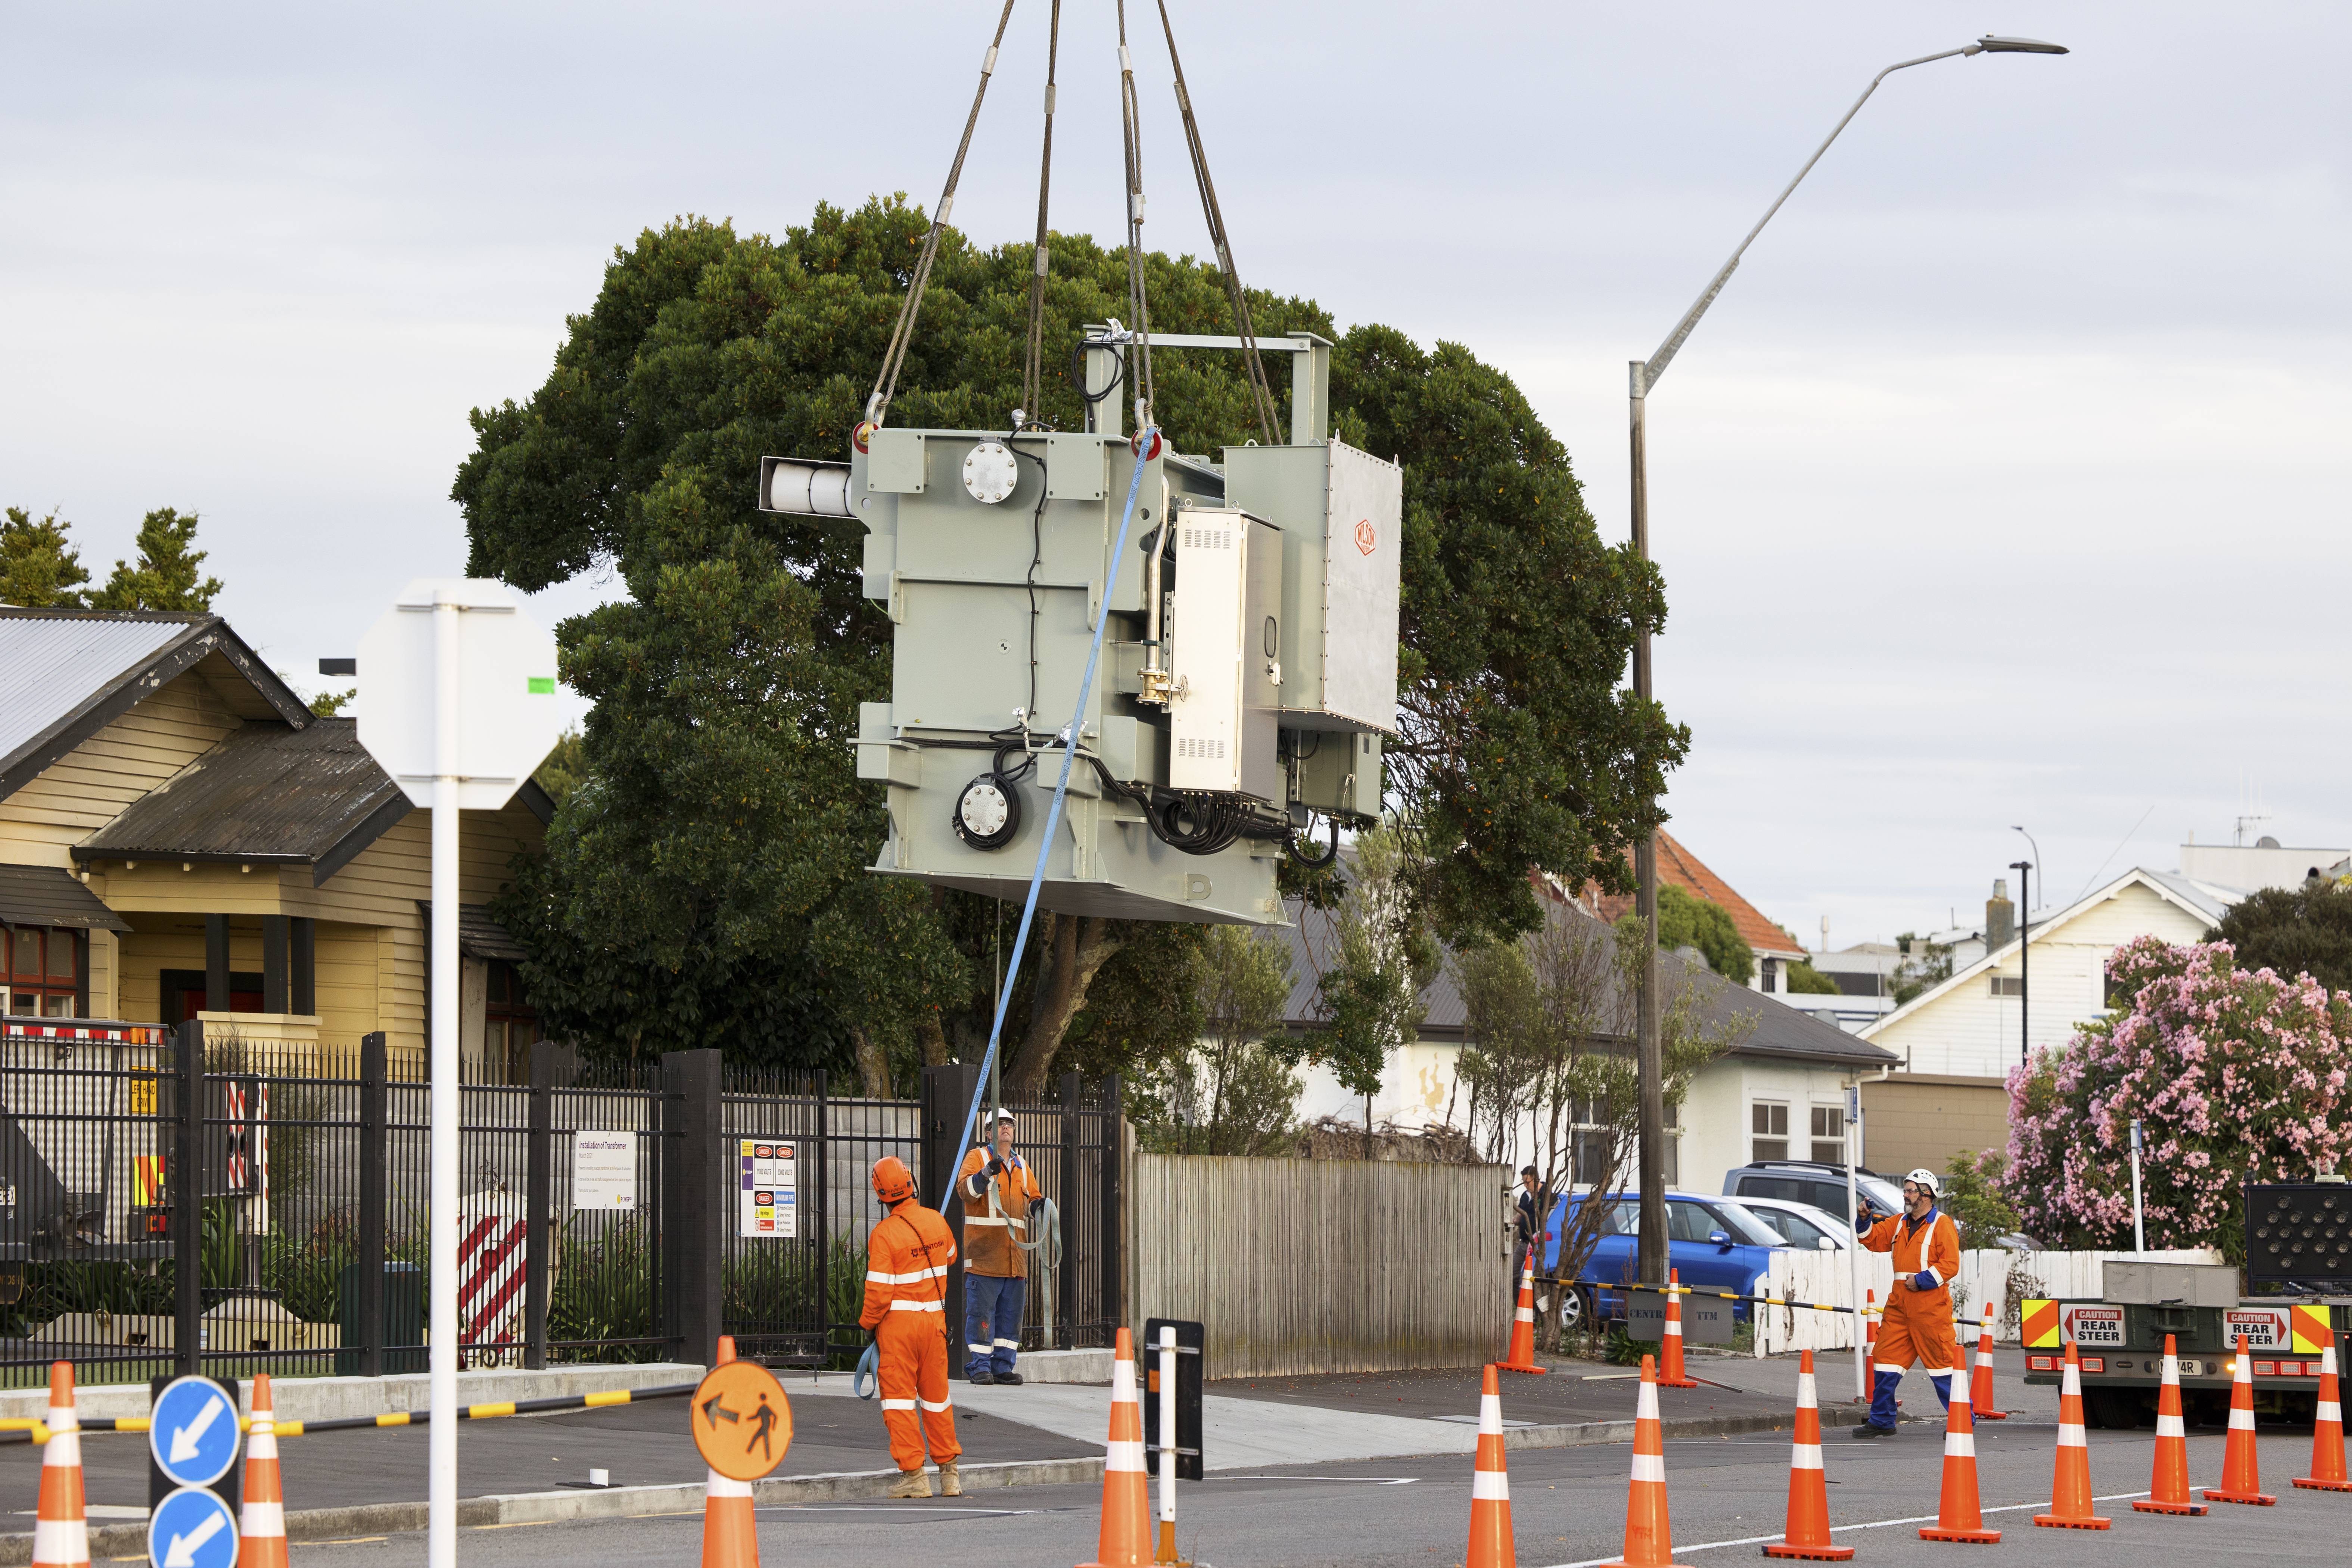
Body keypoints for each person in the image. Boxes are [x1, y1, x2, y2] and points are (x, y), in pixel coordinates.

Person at [861, 1155, 962, 1497]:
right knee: (937, 1399)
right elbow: (950, 1255)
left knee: (900, 1402)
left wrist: (867, 1324)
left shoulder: (884, 1234)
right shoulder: (936, 1221)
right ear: (911, 1183)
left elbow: (878, 1292)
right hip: (934, 1325)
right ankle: (950, 1475)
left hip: (899, 1330)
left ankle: (915, 1477)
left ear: (881, 1195)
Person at [1849, 1167, 1961, 1439]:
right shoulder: (1899, 1223)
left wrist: (1922, 1281)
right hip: (1900, 1305)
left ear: (1926, 1195)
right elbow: (1872, 1240)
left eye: (1910, 1190)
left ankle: (1962, 1420)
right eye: (1906, 1190)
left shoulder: (1942, 1224)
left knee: (1943, 1366)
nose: (1906, 1194)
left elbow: (1950, 1264)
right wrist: (1863, 1219)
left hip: (1930, 1308)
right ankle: (1882, 1420)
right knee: (1885, 1361)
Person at [957, 1108, 1045, 1384]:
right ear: (988, 1133)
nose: (1005, 1128)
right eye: (999, 1124)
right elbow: (966, 1192)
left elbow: (1032, 1200)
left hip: (1015, 1259)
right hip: (985, 1257)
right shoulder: (977, 1158)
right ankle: (980, 1366)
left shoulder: (1021, 1165)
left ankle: (1002, 1367)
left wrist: (1040, 1207)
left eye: (1009, 1124)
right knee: (982, 1316)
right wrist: (984, 1175)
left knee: (1010, 1318)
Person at [1510, 1166, 1544, 1291]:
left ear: (1535, 1179)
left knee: (1527, 1279)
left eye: (1527, 1182)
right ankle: (1518, 1308)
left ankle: (1531, 1308)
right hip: (1523, 1243)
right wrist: (1514, 1220)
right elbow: (1520, 1215)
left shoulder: (1546, 1195)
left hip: (1536, 1245)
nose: (1525, 1185)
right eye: (1523, 1182)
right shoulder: (1525, 1196)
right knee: (1513, 1276)